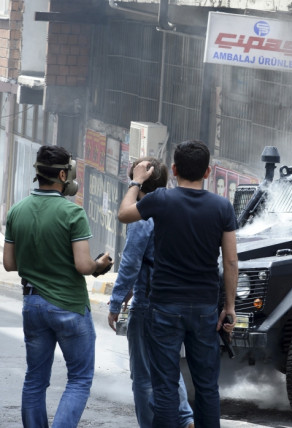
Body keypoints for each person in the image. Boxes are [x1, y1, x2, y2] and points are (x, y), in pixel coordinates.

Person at [118, 140, 237, 427]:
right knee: (207, 387)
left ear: (174, 169)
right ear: (208, 172)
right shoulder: (222, 207)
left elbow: (124, 214)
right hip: (205, 309)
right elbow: (231, 262)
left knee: (166, 386)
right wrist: (229, 307)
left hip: (165, 309)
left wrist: (136, 182)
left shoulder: (161, 200)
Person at [3, 145, 113, 427]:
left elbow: (9, 264)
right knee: (79, 379)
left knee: (35, 380)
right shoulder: (72, 213)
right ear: (63, 174)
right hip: (69, 307)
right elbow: (83, 266)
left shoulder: (17, 211)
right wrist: (100, 264)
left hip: (33, 305)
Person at [107, 157, 194, 428]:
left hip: (148, 306)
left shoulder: (143, 214)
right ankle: (185, 419)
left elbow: (132, 260)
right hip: (176, 301)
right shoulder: (177, 207)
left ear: (141, 179)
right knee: (168, 369)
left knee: (143, 377)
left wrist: (116, 300)